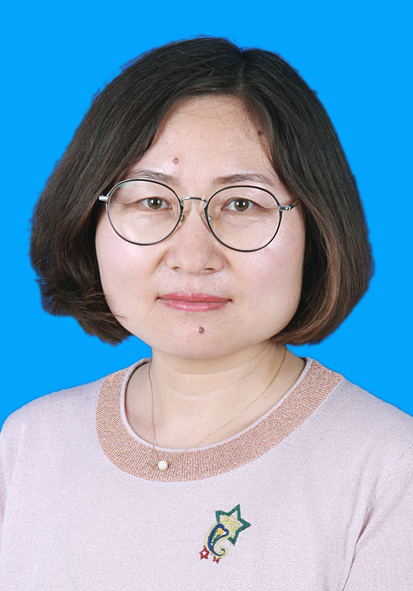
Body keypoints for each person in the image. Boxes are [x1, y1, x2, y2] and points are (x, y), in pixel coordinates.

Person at [0, 37, 412, 589]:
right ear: (87, 218)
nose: (193, 256)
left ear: (317, 229)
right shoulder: (30, 444)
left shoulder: (390, 470)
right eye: (152, 201)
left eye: (242, 204)